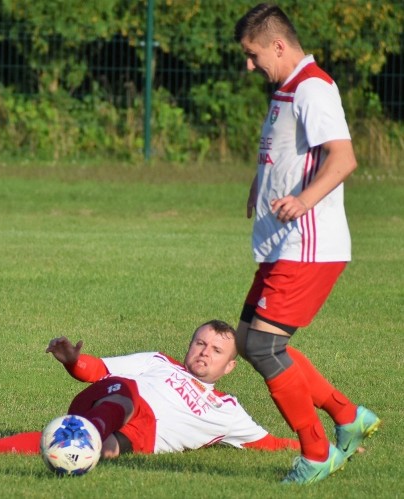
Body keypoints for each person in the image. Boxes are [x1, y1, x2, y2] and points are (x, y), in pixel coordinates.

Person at [232, 3, 379, 485]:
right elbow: (287, 151)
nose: (249, 65)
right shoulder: (288, 89)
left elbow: (344, 158)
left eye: (253, 55)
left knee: (262, 344)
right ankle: (347, 416)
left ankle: (317, 453)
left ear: (278, 44)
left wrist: (303, 199)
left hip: (309, 246)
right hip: (284, 243)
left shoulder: (313, 87)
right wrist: (263, 185)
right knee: (252, 341)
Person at [0, 320, 299, 460]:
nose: (205, 352)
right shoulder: (159, 362)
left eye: (216, 350)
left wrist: (325, 448)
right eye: (200, 343)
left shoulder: (229, 411)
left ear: (230, 366)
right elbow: (100, 370)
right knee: (127, 392)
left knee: (94, 450)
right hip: (111, 401)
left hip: (138, 436)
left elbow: (270, 444)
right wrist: (73, 362)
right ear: (189, 345)